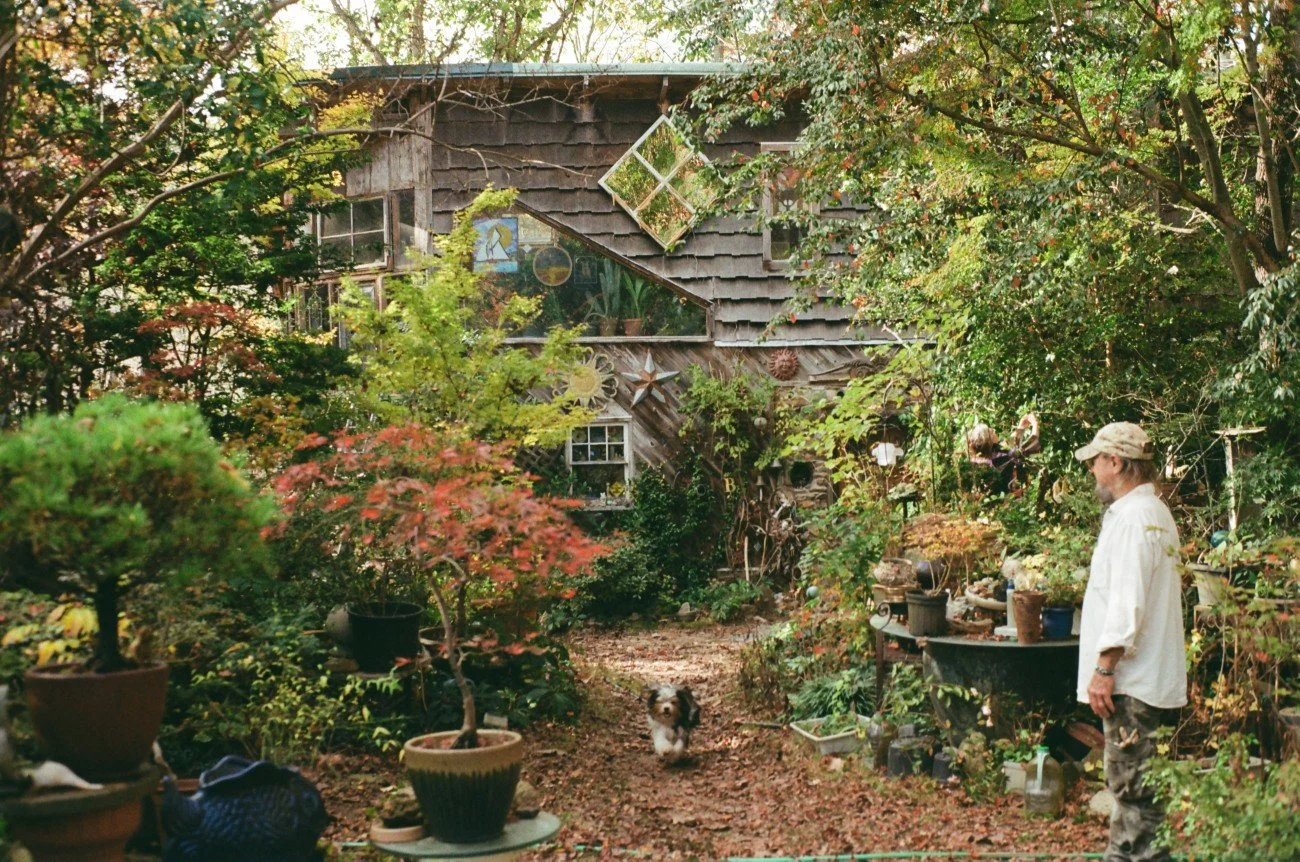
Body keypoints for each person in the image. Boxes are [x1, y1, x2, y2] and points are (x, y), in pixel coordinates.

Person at [1074, 422, 1187, 862]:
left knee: (1137, 805)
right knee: (1134, 802)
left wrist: (1104, 670)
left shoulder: (1137, 518)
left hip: (1132, 686)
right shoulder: (1145, 513)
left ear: (1116, 463)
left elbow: (1127, 604)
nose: (1092, 472)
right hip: (1140, 684)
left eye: (1095, 463)